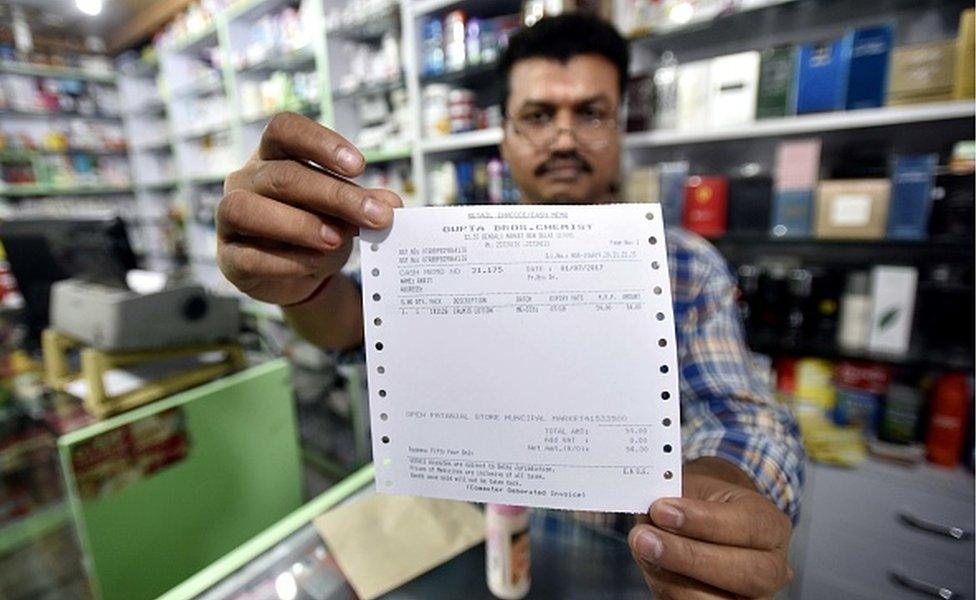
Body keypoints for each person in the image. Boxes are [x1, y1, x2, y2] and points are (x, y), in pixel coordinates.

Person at [218, 13, 804, 599]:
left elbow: (742, 413)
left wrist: (720, 490)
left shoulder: (685, 265)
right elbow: (353, 326)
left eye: (592, 113)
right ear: (505, 134)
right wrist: (300, 278)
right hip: (473, 555)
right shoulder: (446, 250)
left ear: (620, 127)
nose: (566, 138)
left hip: (628, 571)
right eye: (539, 116)